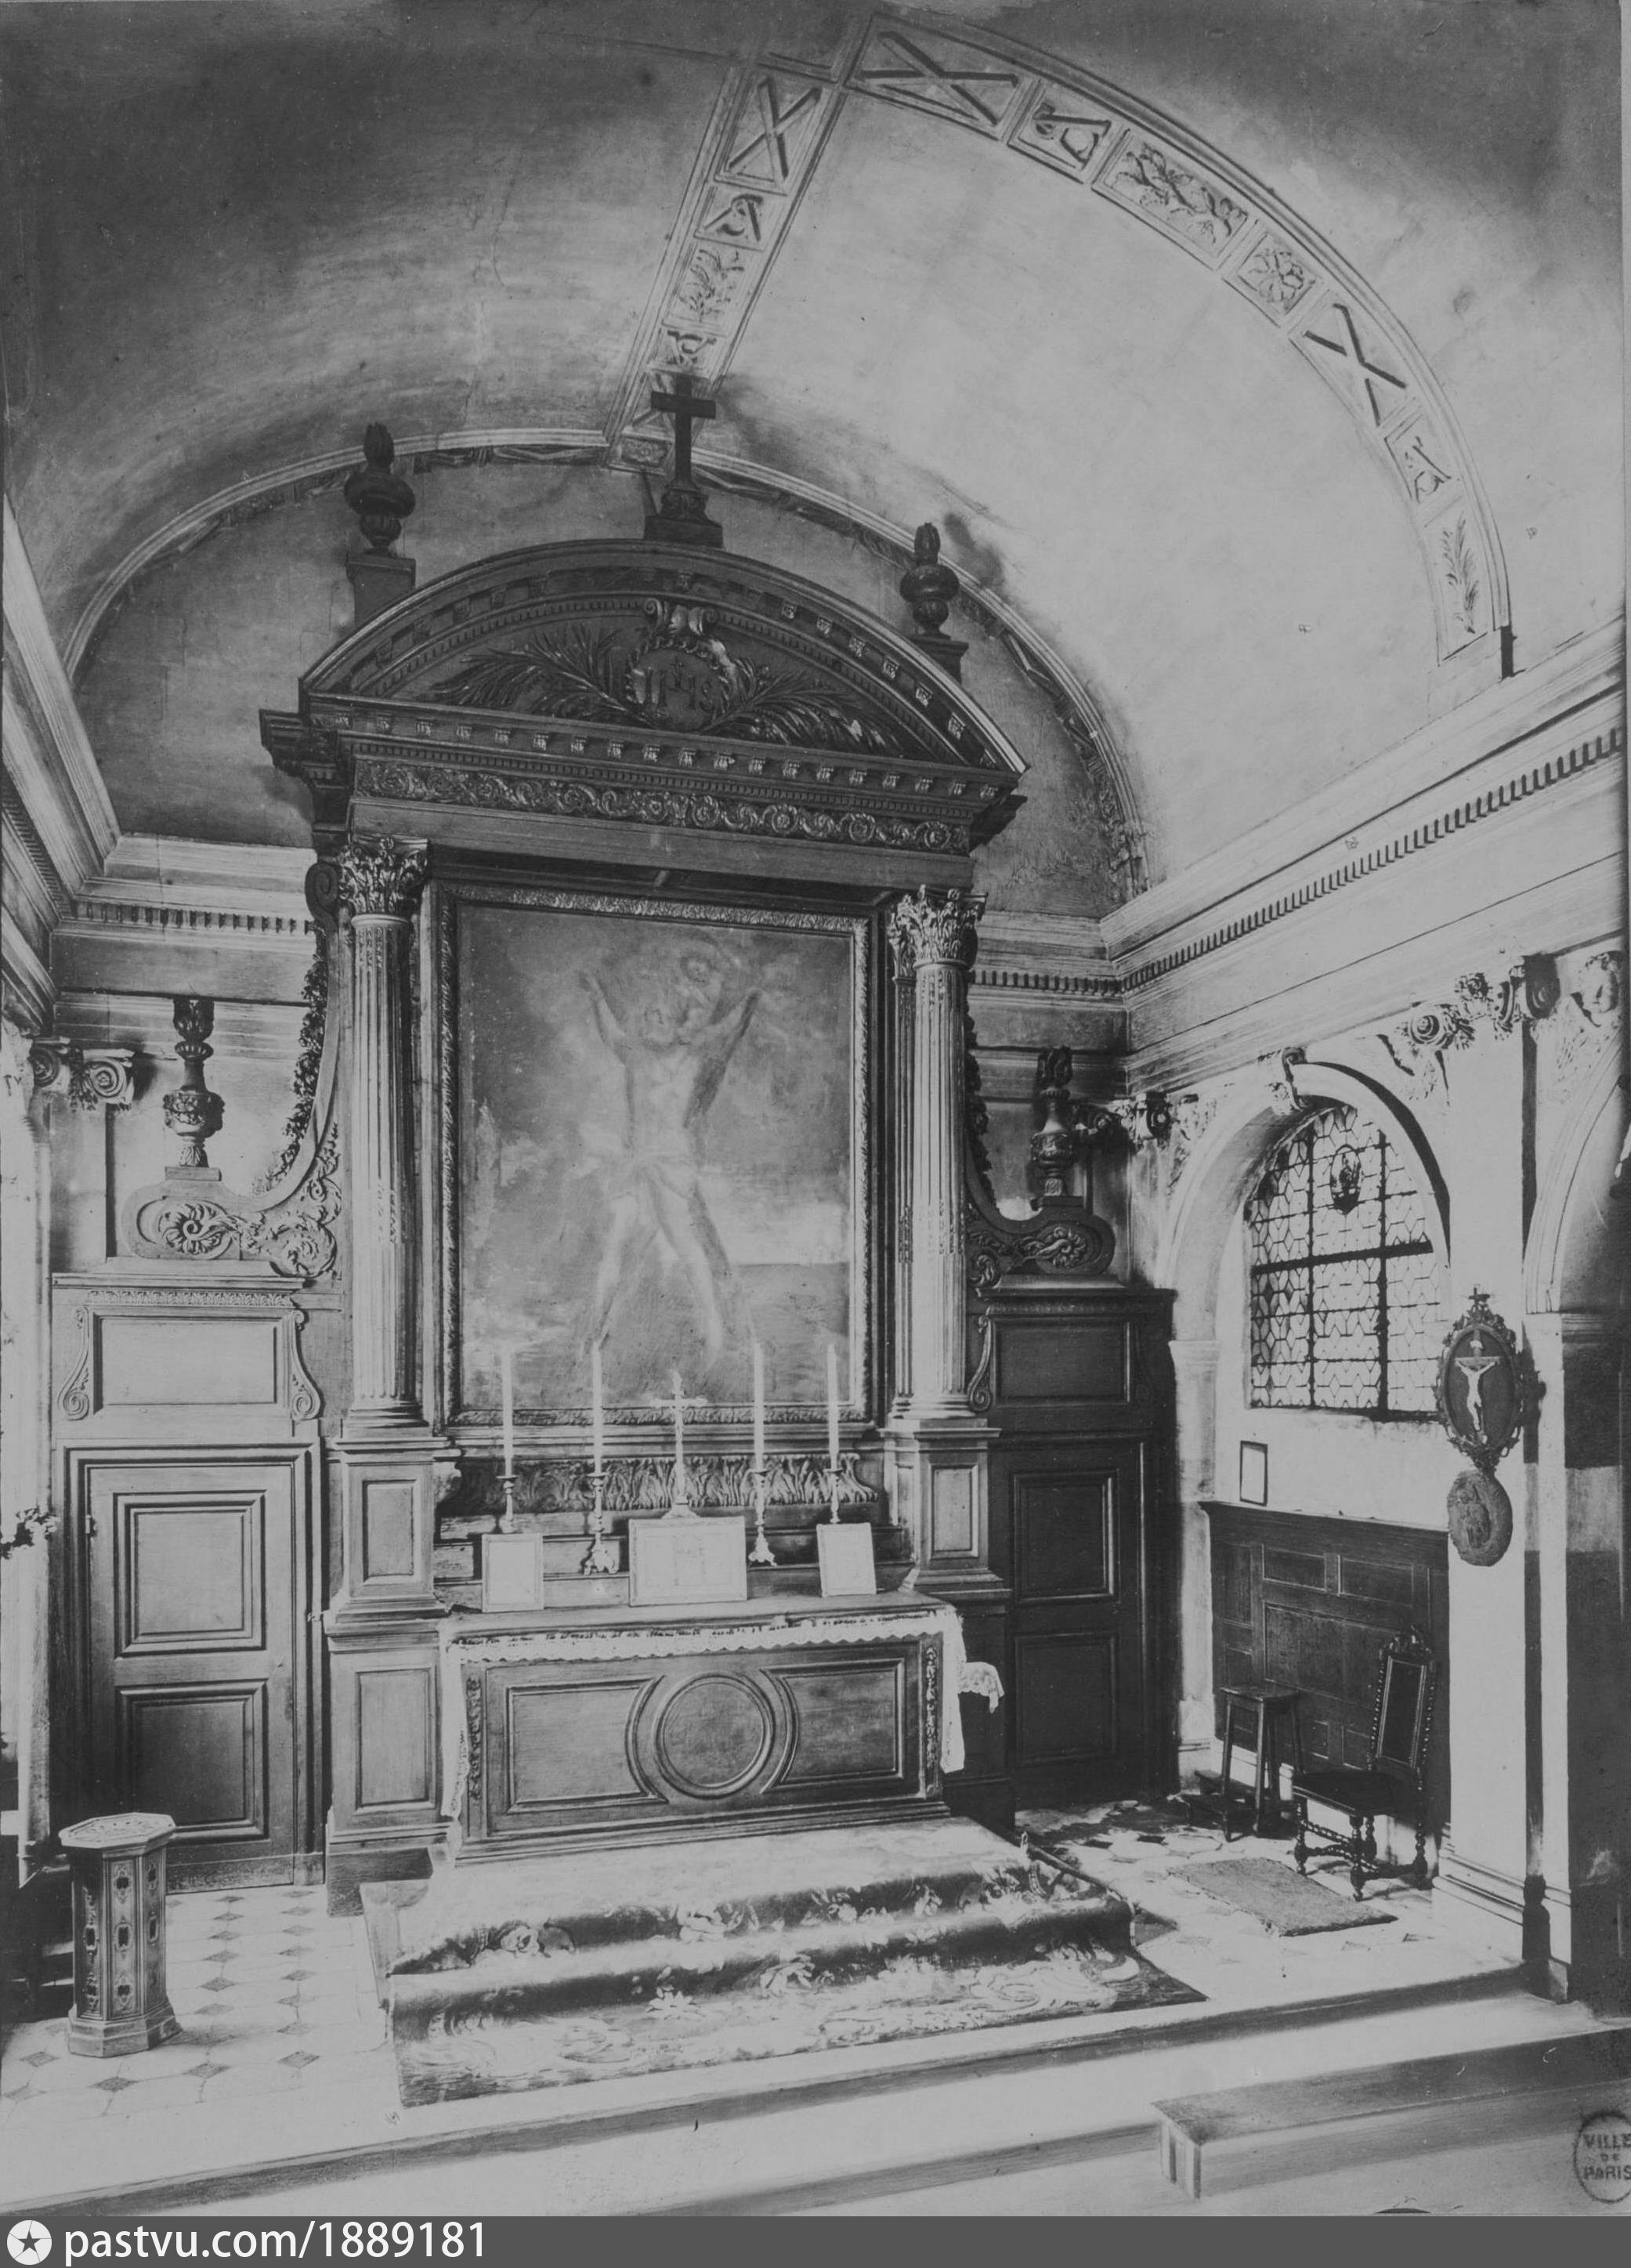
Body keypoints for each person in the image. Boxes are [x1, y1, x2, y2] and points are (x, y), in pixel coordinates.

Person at [580, 964, 759, 1369]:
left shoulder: (692, 1059)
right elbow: (611, 1031)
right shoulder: (635, 1058)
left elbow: (727, 1032)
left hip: (672, 1165)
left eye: (659, 1017)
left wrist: (748, 1003)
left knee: (687, 1247)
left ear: (677, 1027)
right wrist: (596, 994)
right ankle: (596, 1333)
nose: (650, 1021)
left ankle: (714, 1335)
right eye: (647, 1016)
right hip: (639, 1165)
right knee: (618, 1246)